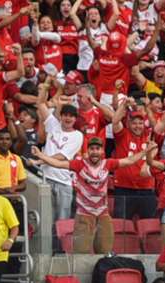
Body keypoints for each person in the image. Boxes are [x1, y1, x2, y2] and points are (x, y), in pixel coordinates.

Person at [32, 137, 151, 254]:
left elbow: (129, 161)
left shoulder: (108, 163)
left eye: (98, 149)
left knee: (105, 252)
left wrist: (146, 151)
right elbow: (58, 163)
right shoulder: (79, 164)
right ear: (88, 151)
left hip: (103, 215)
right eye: (92, 149)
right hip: (84, 214)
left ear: (102, 151)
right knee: (80, 253)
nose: (95, 151)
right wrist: (41, 155)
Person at [36, 90, 84, 223]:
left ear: (75, 119)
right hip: (46, 179)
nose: (68, 118)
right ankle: (48, 245)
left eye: (71, 116)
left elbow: (63, 156)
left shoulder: (78, 135)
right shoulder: (52, 124)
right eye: (65, 115)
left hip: (64, 182)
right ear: (61, 116)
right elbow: (40, 104)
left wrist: (40, 159)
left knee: (62, 223)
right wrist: (45, 88)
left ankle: (61, 245)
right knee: (46, 221)